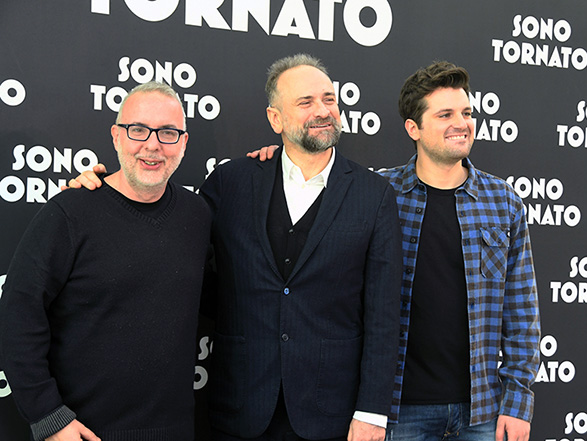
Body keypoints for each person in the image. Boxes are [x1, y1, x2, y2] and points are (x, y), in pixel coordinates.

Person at [64, 54, 403, 441]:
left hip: (331, 413)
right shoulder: (232, 181)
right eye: (306, 102)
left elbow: (384, 313)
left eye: (329, 99)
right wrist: (103, 193)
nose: (323, 111)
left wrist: (373, 411)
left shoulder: (374, 195)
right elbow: (161, 221)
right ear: (275, 119)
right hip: (240, 407)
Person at [250, 60, 541, 441]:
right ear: (413, 128)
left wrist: (518, 400)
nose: (462, 123)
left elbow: (521, 310)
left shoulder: (503, 202)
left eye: (467, 113)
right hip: (398, 408)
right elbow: (309, 166)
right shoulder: (377, 194)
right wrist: (277, 158)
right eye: (445, 114)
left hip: (481, 411)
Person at [0, 81, 212, 441]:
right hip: (83, 432)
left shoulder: (199, 215)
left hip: (176, 429)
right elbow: (18, 315)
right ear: (116, 136)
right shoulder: (70, 212)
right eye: (138, 129)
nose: (152, 144)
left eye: (168, 132)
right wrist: (49, 417)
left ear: (185, 143)